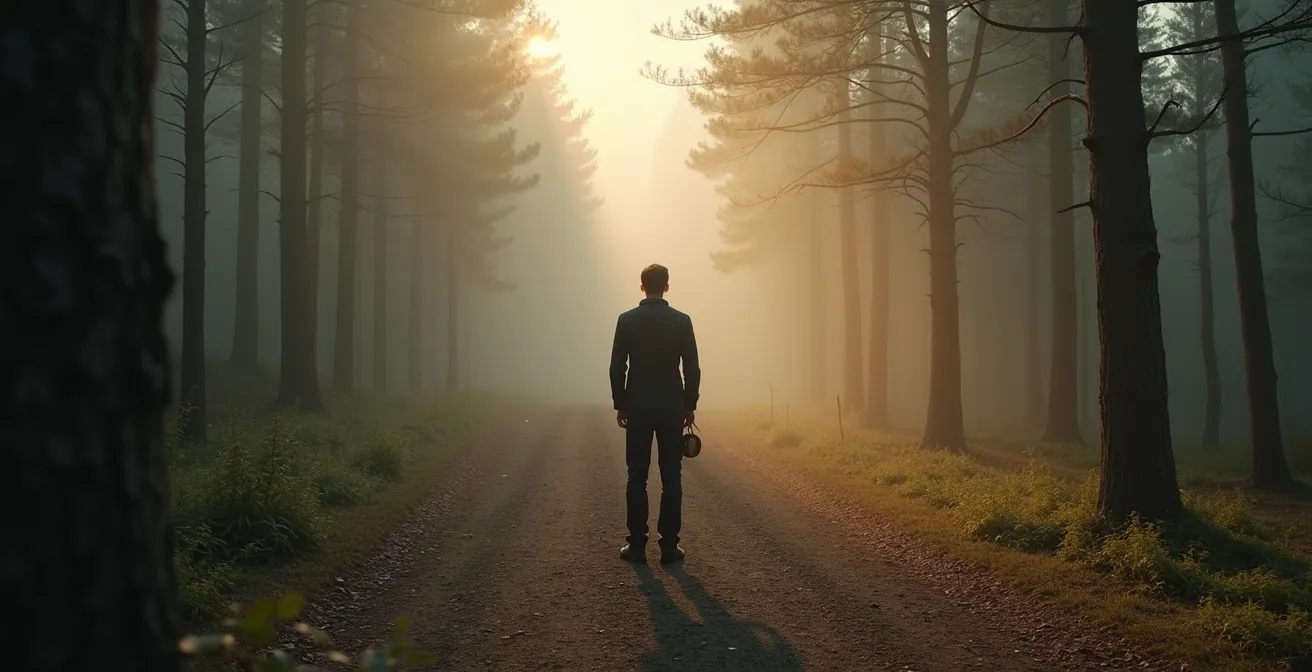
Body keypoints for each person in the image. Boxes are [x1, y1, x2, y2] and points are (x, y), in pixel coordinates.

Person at [609, 263, 701, 564]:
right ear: (667, 286)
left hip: (637, 407)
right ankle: (669, 546)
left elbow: (617, 366)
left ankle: (636, 546)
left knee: (636, 476)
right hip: (672, 408)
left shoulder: (626, 321)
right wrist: (689, 405)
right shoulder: (681, 321)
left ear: (641, 286)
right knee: (671, 476)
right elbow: (692, 368)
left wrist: (620, 403)